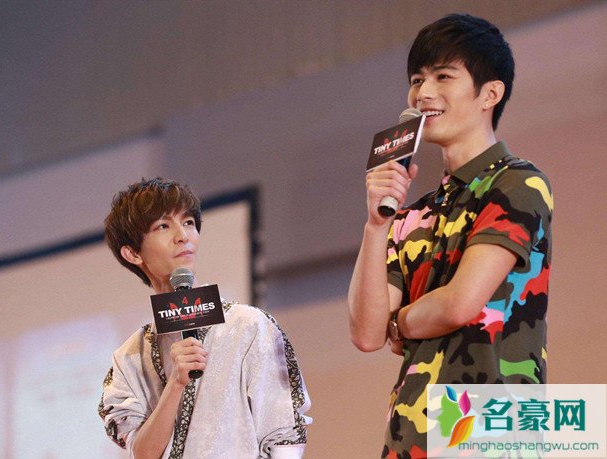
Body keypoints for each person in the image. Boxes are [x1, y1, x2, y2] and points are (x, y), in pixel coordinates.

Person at [348, 14, 552, 458]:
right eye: (417, 80)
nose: (423, 93)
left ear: (490, 94)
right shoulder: (412, 215)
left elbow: (460, 302)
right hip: (412, 434)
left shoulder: (516, 183)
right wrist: (376, 225)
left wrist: (398, 323)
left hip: (491, 430)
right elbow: (366, 333)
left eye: (443, 76)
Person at [98, 177, 311, 458]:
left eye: (188, 223)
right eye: (163, 226)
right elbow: (142, 453)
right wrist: (175, 384)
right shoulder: (130, 357)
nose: (183, 236)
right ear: (133, 253)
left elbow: (284, 434)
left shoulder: (247, 326)